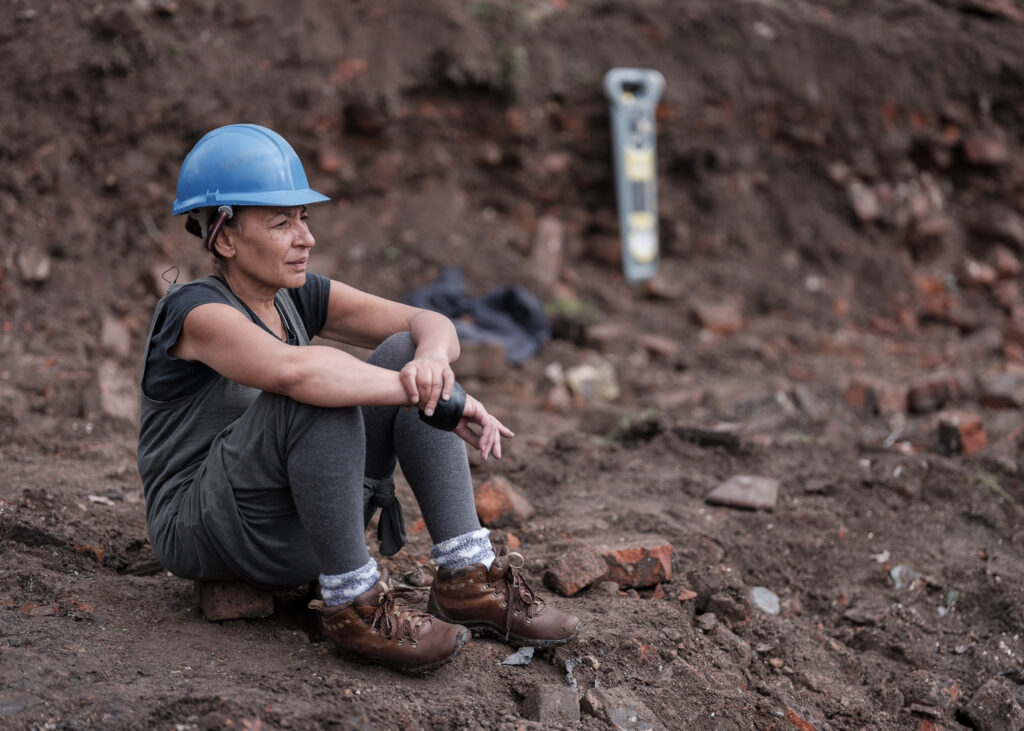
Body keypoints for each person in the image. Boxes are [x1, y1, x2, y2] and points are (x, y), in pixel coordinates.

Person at [137, 123, 580, 674]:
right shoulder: (194, 313)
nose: (306, 238)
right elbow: (296, 375)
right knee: (319, 386)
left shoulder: (299, 296)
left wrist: (430, 368)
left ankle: (468, 577)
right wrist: (432, 397)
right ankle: (355, 605)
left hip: (301, 522)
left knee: (402, 349)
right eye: (281, 222)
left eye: (304, 218)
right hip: (208, 530)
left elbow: (429, 320)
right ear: (224, 238)